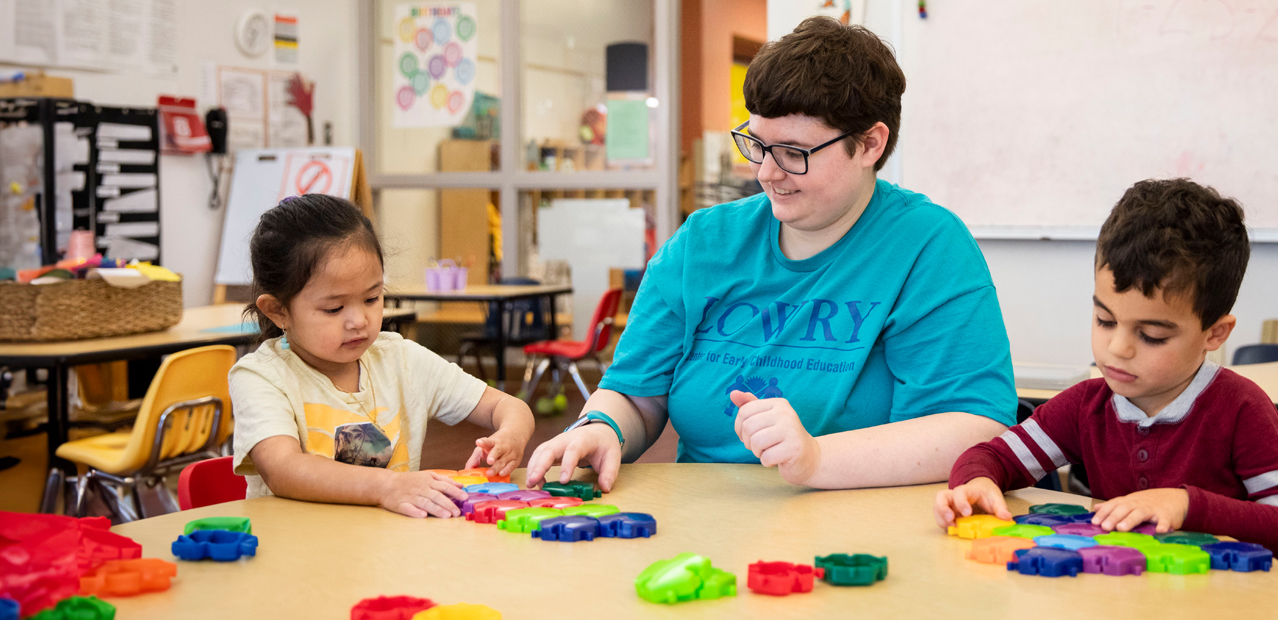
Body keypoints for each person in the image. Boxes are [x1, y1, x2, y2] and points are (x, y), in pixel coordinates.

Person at [525, 17, 1016, 492]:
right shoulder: (704, 242)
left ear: (870, 143)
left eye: (793, 152)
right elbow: (637, 392)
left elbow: (973, 427)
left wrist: (817, 459)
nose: (766, 173)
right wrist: (602, 428)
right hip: (706, 521)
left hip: (859, 523)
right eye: (757, 144)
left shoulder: (927, 247)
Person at [934, 179, 1278, 569]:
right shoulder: (1085, 407)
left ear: (1214, 333)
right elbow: (991, 457)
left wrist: (1186, 505)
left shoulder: (1240, 408)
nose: (1118, 348)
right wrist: (977, 483)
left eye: (1152, 335)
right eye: (1105, 320)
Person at [230, 194, 535, 519]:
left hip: (386, 552)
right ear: (278, 311)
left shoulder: (399, 359)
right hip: (299, 552)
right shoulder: (261, 376)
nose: (359, 320)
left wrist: (511, 435)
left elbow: (507, 406)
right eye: (334, 308)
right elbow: (284, 469)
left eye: (372, 298)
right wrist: (386, 486)